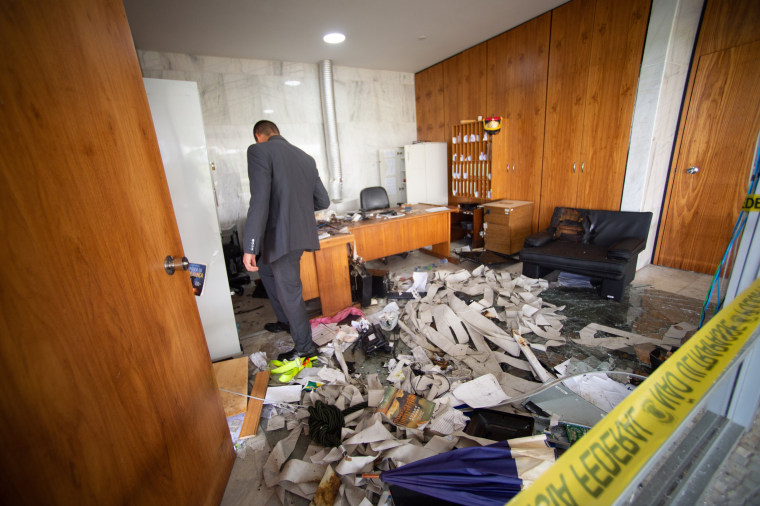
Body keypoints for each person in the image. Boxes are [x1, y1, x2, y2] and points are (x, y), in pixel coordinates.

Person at [242, 120, 331, 360]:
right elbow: (323, 201)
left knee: (289, 291)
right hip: (295, 234)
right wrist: (296, 206)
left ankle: (305, 346)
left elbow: (259, 199)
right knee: (267, 273)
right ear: (277, 133)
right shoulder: (305, 158)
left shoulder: (258, 150)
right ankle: (285, 321)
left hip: (282, 239)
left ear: (258, 136)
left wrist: (249, 245)